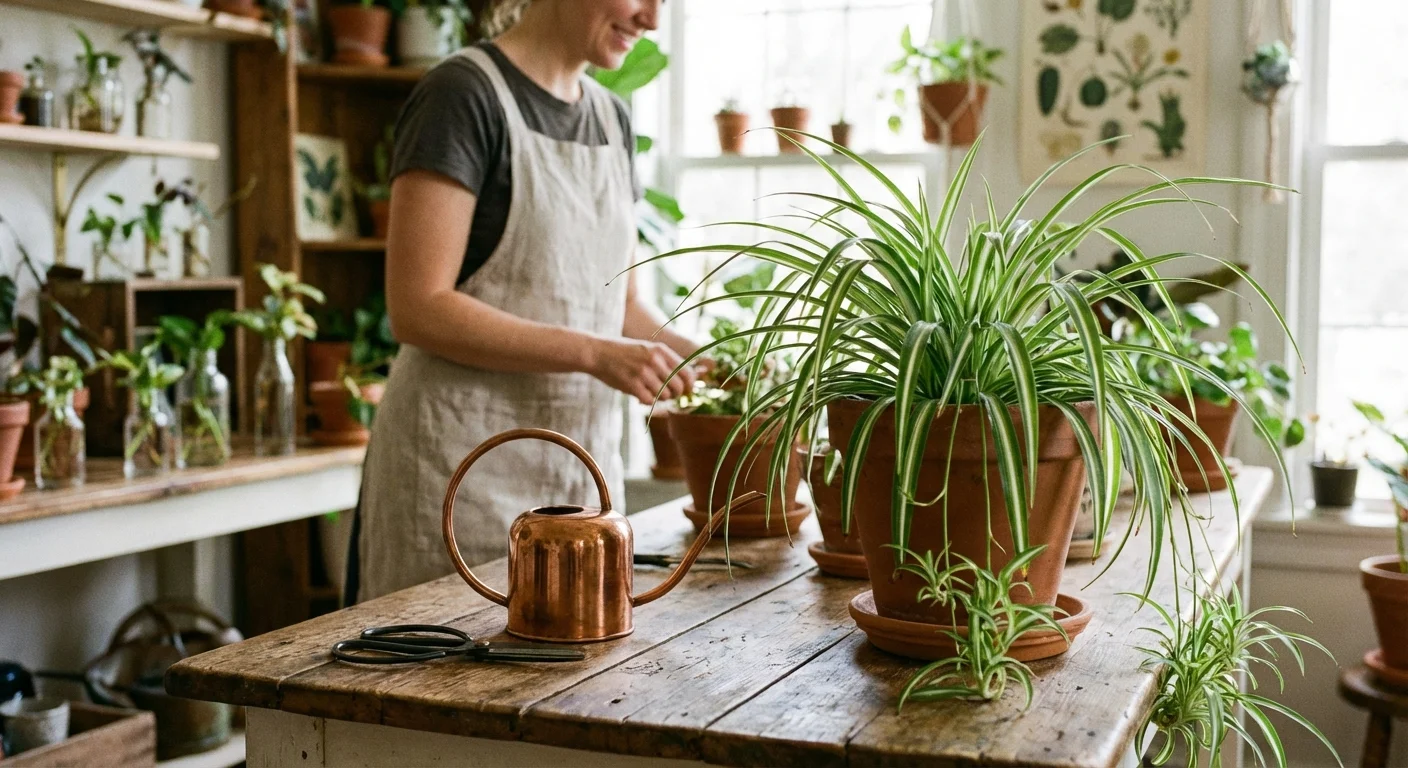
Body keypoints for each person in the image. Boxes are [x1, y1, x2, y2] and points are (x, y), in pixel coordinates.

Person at [349, 0, 694, 602]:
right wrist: (594, 353)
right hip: (457, 478)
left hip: (578, 485)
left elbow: (620, 302)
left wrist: (695, 354)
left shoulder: (612, 120)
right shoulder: (462, 95)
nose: (652, 21)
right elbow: (417, 305)